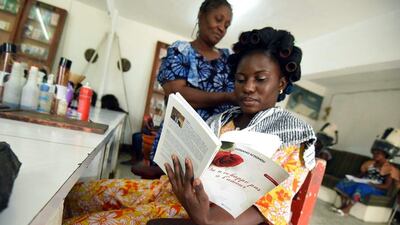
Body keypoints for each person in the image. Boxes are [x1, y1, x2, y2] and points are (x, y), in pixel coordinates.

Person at [62, 27, 316, 225]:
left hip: (201, 214)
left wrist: (203, 216)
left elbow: (265, 207)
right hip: (168, 191)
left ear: (281, 83)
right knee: (75, 194)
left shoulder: (292, 135)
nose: (248, 87)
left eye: (260, 79)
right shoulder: (224, 119)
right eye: (240, 79)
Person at [148, 0, 236, 164]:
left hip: (214, 150)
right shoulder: (180, 51)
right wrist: (227, 96)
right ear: (201, 16)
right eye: (218, 19)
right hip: (178, 141)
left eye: (227, 25)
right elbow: (177, 96)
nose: (222, 28)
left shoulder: (228, 59)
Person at [332, 128, 400, 216]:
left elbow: (386, 186)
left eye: (377, 153)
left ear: (385, 155)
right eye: (374, 153)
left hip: (377, 188)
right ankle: (343, 206)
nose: (374, 155)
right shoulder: (370, 164)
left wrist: (373, 184)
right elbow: (362, 175)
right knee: (345, 181)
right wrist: (353, 178)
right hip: (365, 182)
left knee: (362, 187)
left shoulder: (389, 168)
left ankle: (347, 209)